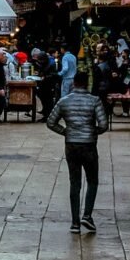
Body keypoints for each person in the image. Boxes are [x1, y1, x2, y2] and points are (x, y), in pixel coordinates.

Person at [47, 71, 109, 233]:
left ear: (74, 83)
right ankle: (87, 215)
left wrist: (66, 131)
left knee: (75, 183)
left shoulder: (64, 101)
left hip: (71, 145)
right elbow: (103, 125)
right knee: (92, 180)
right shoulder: (94, 101)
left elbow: (51, 122)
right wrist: (92, 131)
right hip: (89, 145)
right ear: (87, 83)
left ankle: (75, 223)